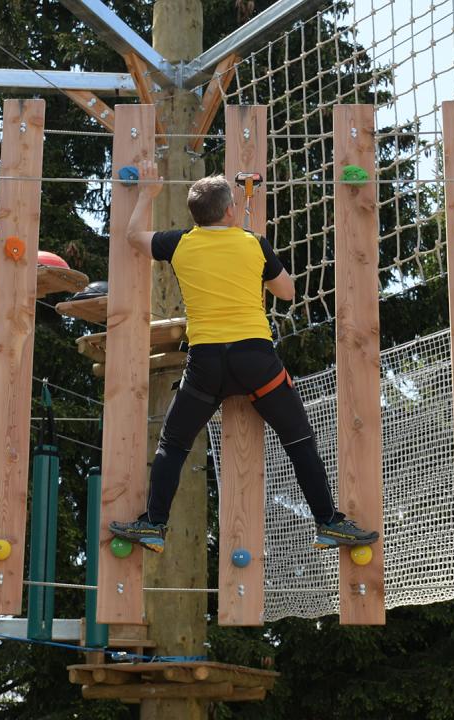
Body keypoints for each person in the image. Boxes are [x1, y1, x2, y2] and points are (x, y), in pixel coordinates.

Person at [109, 160, 379, 553]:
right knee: (299, 439)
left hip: (206, 365)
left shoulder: (180, 242)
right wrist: (258, 259)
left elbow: (134, 236)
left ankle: (154, 525)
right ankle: (327, 522)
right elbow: (287, 292)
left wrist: (147, 193)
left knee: (173, 444)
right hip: (256, 361)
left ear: (198, 215)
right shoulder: (253, 243)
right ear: (231, 211)